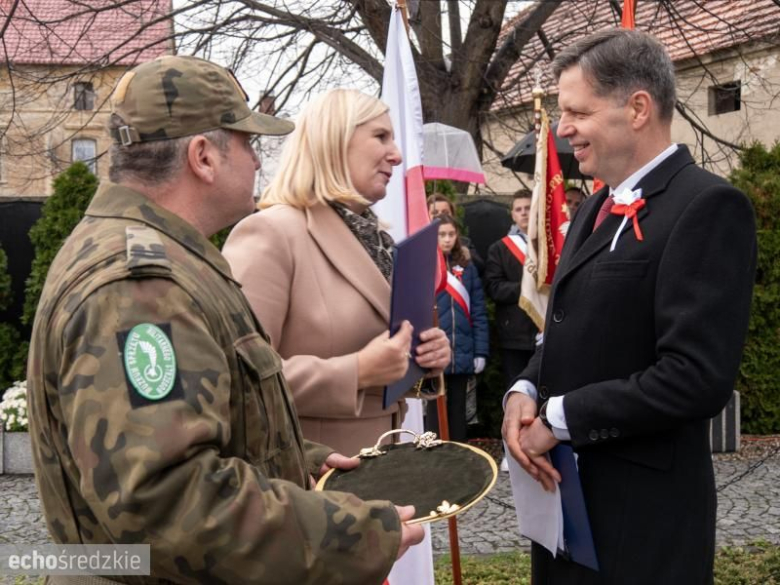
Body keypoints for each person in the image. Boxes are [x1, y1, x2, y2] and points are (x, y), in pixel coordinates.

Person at [26, 56, 423, 585]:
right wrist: (349, 533)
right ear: (204, 157)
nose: (259, 162)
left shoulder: (167, 259)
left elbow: (212, 418)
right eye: (248, 144)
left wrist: (300, 460)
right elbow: (165, 501)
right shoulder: (138, 287)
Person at [501, 29, 756, 585]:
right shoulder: (592, 210)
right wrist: (523, 391)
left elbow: (694, 377)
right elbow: (569, 332)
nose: (561, 129)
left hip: (643, 523)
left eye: (576, 112)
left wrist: (560, 419)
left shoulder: (708, 207)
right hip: (567, 508)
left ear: (637, 108)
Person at [222, 89, 451, 457]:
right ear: (335, 142)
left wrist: (421, 360)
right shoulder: (270, 233)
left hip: (386, 467)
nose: (396, 154)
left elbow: (383, 361)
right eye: (380, 137)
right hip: (309, 478)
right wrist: (357, 371)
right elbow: (239, 378)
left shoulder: (378, 239)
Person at [425, 214, 489, 443]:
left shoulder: (467, 267)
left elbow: (479, 311)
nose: (447, 239)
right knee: (434, 409)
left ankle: (459, 451)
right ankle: (433, 453)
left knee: (458, 410)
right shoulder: (425, 266)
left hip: (462, 349)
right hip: (434, 350)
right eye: (441, 234)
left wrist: (481, 351)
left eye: (451, 234)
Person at [484, 190, 539, 391]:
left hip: (547, 331)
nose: (524, 213)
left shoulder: (550, 245)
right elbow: (494, 288)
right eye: (519, 209)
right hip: (514, 333)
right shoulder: (499, 249)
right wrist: (527, 287)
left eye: (527, 208)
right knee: (517, 390)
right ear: (513, 215)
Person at [427, 192, 484, 273]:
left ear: (452, 215)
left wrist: (468, 256)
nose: (440, 216)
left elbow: (481, 269)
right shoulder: (420, 246)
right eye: (435, 213)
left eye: (445, 212)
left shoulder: (465, 242)